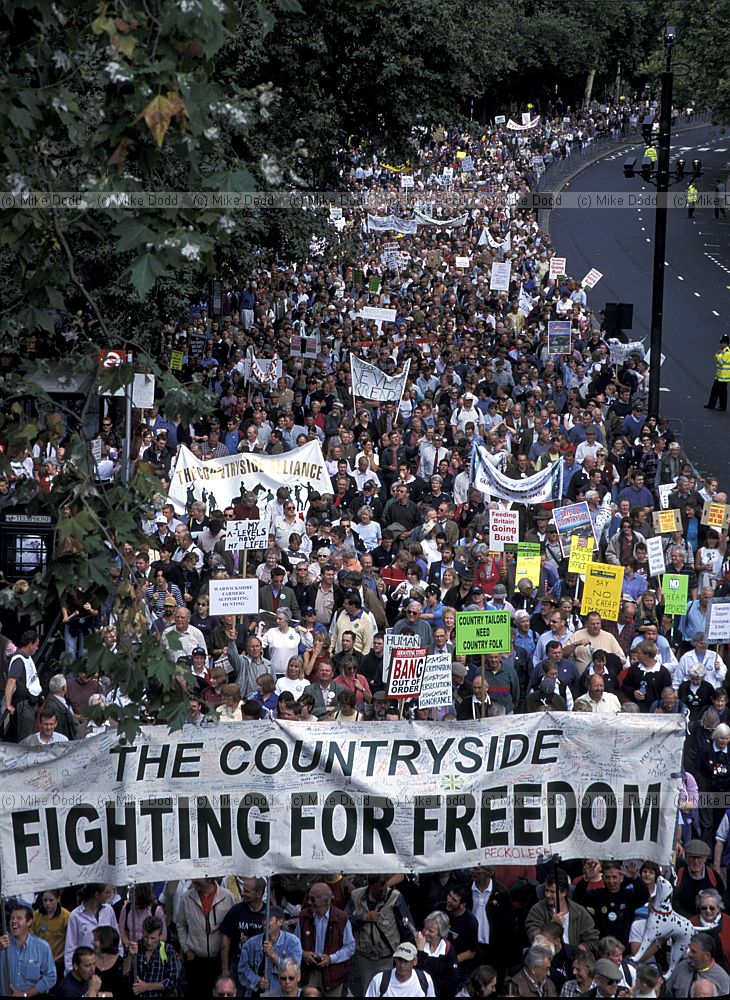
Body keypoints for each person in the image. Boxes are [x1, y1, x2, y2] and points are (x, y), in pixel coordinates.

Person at [176, 878, 234, 997]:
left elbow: (233, 926)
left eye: (198, 877)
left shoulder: (228, 897)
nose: (194, 880)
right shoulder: (186, 898)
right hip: (195, 960)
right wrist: (186, 950)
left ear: (209, 878)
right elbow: (181, 924)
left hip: (219, 960)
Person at [297, 881, 355, 995]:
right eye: (309, 898)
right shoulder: (304, 916)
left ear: (326, 901)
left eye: (313, 899)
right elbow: (295, 943)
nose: (309, 902)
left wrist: (331, 958)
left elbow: (350, 947)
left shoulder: (342, 918)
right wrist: (303, 954)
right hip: (309, 973)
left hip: (333, 975)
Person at [237, 905, 302, 996]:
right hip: (257, 993)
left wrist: (273, 955)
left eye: (269, 919)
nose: (264, 923)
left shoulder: (293, 942)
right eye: (263, 919)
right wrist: (257, 980)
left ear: (280, 922)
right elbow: (242, 968)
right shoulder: (251, 943)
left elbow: (294, 970)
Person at [0, 903, 57, 996]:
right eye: (12, 918)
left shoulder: (42, 947)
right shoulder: (2, 945)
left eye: (19, 918)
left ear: (29, 922)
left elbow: (51, 977)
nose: (14, 921)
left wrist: (25, 994)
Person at [65, 884, 120, 974]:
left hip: (108, 967)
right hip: (85, 968)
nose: (109, 896)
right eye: (106, 892)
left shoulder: (109, 910)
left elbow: (117, 939)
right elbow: (70, 948)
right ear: (97, 894)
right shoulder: (75, 915)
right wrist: (71, 972)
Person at [122, 914, 181, 997]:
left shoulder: (167, 950)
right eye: (146, 937)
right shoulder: (135, 947)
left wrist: (146, 987)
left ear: (160, 936)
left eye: (153, 938)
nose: (149, 942)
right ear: (142, 933)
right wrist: (129, 956)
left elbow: (172, 981)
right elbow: (124, 976)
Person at [3, 628, 42, 742]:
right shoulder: (19, 659)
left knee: (30, 737)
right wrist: (8, 703)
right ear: (30, 644)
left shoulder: (27, 658)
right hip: (24, 704)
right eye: (36, 645)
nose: (37, 648)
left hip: (31, 702)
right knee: (25, 739)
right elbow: (11, 681)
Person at [665, 931, 730, 996]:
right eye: (690, 950)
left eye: (693, 951)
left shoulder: (722, 979)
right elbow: (668, 993)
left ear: (706, 956)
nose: (689, 954)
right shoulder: (681, 967)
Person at [365, 941, 436, 997]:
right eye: (399, 960)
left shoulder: (425, 979)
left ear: (415, 961)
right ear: (395, 959)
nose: (402, 965)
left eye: (406, 961)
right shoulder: (379, 980)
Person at [415, 911, 460, 998]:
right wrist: (419, 951)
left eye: (431, 931)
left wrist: (430, 983)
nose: (426, 933)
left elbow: (453, 980)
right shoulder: (416, 942)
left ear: (441, 933)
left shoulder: (448, 949)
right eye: (425, 928)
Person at [705, 333, 730, 412]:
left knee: (722, 392)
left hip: (724, 376)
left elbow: (721, 362)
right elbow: (717, 362)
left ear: (725, 343)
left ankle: (722, 406)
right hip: (720, 375)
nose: (721, 344)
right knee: (715, 390)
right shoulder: (723, 352)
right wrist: (718, 354)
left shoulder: (727, 353)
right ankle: (711, 405)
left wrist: (718, 355)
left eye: (722, 343)